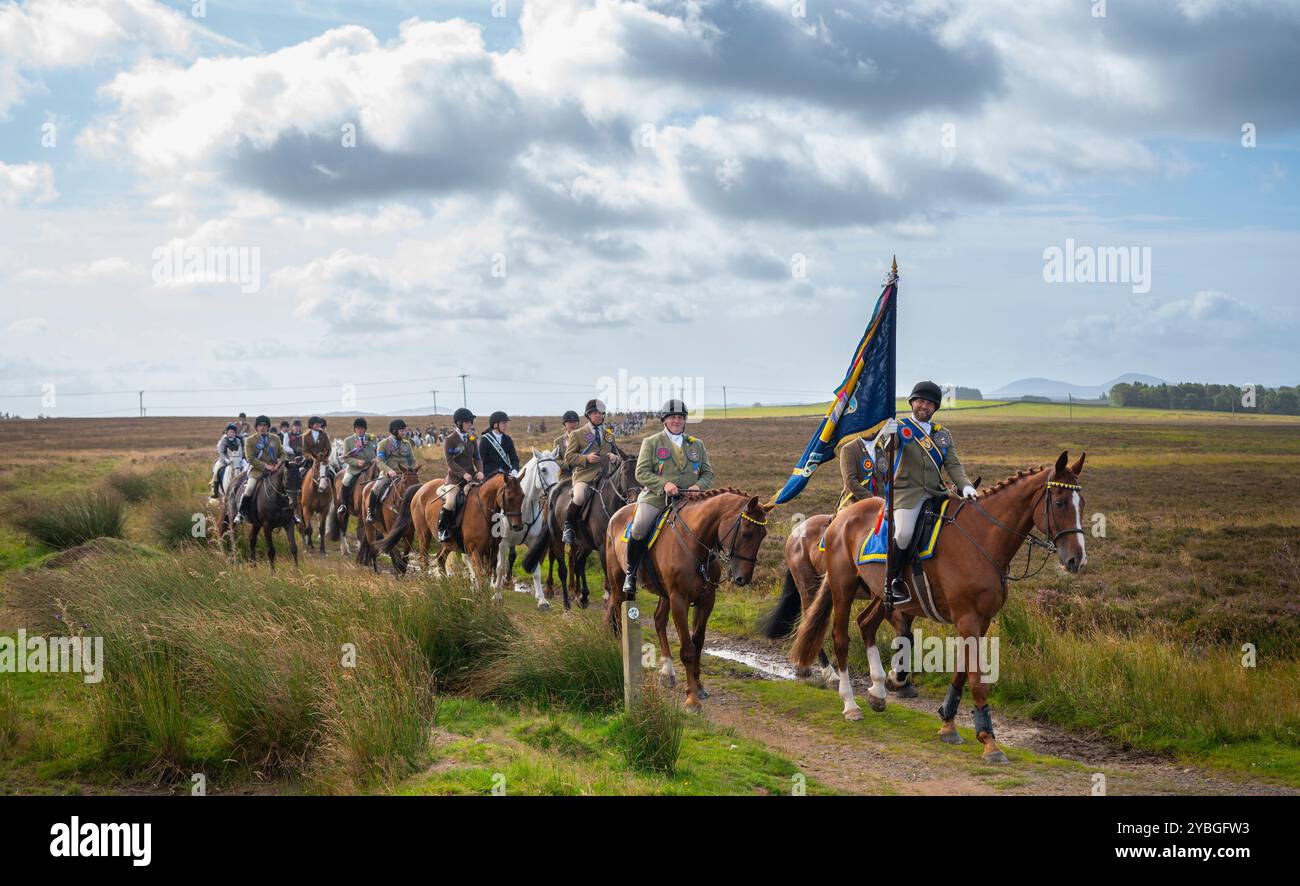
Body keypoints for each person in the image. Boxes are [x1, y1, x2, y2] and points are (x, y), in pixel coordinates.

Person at [871, 380, 977, 604]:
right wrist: (887, 435)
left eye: (930, 403)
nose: (924, 406)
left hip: (937, 492)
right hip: (907, 493)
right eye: (920, 401)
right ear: (912, 402)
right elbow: (887, 450)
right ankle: (894, 580)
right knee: (903, 533)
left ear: (935, 408)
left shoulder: (942, 434)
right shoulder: (900, 427)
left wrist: (966, 485)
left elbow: (953, 465)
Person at [623, 399, 714, 594]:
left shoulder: (696, 444)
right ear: (664, 420)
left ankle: (708, 570)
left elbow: (708, 474)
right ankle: (631, 574)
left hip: (690, 499)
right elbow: (641, 473)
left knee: (712, 526)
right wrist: (664, 484)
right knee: (639, 528)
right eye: (672, 417)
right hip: (657, 498)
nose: (676, 421)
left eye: (680, 417)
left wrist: (698, 486)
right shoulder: (652, 442)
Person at [561, 399, 622, 544]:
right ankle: (568, 527)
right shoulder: (577, 434)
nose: (599, 416)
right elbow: (568, 457)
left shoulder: (609, 435)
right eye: (595, 413)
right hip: (585, 476)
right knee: (580, 496)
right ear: (588, 415)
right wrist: (585, 458)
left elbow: (618, 454)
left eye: (601, 413)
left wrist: (615, 458)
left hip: (606, 476)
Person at [438, 408, 483, 541]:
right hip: (455, 479)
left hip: (472, 477)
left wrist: (480, 471)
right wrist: (463, 474)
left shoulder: (472, 437)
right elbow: (450, 461)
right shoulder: (450, 439)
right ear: (458, 423)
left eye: (471, 422)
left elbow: (477, 458)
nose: (470, 424)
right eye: (468, 422)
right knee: (451, 502)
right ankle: (442, 529)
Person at [235, 415, 289, 523]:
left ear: (268, 426)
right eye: (260, 425)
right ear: (256, 427)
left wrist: (279, 464)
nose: (262, 427)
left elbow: (283, 454)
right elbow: (250, 458)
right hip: (257, 470)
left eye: (265, 425)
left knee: (289, 485)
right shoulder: (250, 440)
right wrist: (265, 466)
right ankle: (241, 513)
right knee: (249, 488)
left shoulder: (275, 438)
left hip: (275, 469)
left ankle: (292, 514)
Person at [368, 419, 417, 523]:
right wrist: (389, 471)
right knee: (376, 488)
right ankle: (370, 512)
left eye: (404, 430)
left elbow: (412, 461)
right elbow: (380, 462)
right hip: (388, 474)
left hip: (404, 474)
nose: (404, 433)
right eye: (402, 431)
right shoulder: (383, 444)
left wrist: (410, 469)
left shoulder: (406, 444)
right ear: (394, 431)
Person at [337, 418, 377, 518]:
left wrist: (375, 459)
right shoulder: (348, 441)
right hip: (354, 469)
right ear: (355, 429)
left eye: (362, 428)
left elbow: (375, 452)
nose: (360, 430)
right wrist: (356, 462)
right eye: (358, 428)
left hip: (370, 467)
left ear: (365, 429)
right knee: (346, 480)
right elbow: (346, 458)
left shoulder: (371, 438)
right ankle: (344, 505)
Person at [836, 436, 878, 512]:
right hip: (854, 504)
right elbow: (850, 480)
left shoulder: (881, 448)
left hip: (881, 504)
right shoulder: (849, 449)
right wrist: (871, 499)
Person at [479, 411, 520, 480]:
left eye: (506, 423)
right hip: (489, 477)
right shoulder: (485, 440)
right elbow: (481, 461)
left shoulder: (508, 439)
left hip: (506, 476)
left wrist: (514, 470)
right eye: (503, 423)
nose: (506, 425)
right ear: (495, 425)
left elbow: (514, 459)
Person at [210, 423, 245, 501]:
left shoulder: (238, 440)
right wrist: (227, 460)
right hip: (225, 460)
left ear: (235, 433)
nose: (231, 433)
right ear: (227, 432)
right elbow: (221, 452)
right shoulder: (224, 440)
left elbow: (241, 451)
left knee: (245, 468)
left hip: (236, 460)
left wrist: (240, 458)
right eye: (230, 432)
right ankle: (214, 490)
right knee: (216, 471)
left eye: (233, 432)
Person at [553, 410, 580, 478]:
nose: (573, 424)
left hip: (583, 473)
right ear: (564, 424)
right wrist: (569, 465)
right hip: (567, 475)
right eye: (570, 422)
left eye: (575, 422)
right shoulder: (558, 442)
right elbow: (556, 460)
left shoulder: (584, 438)